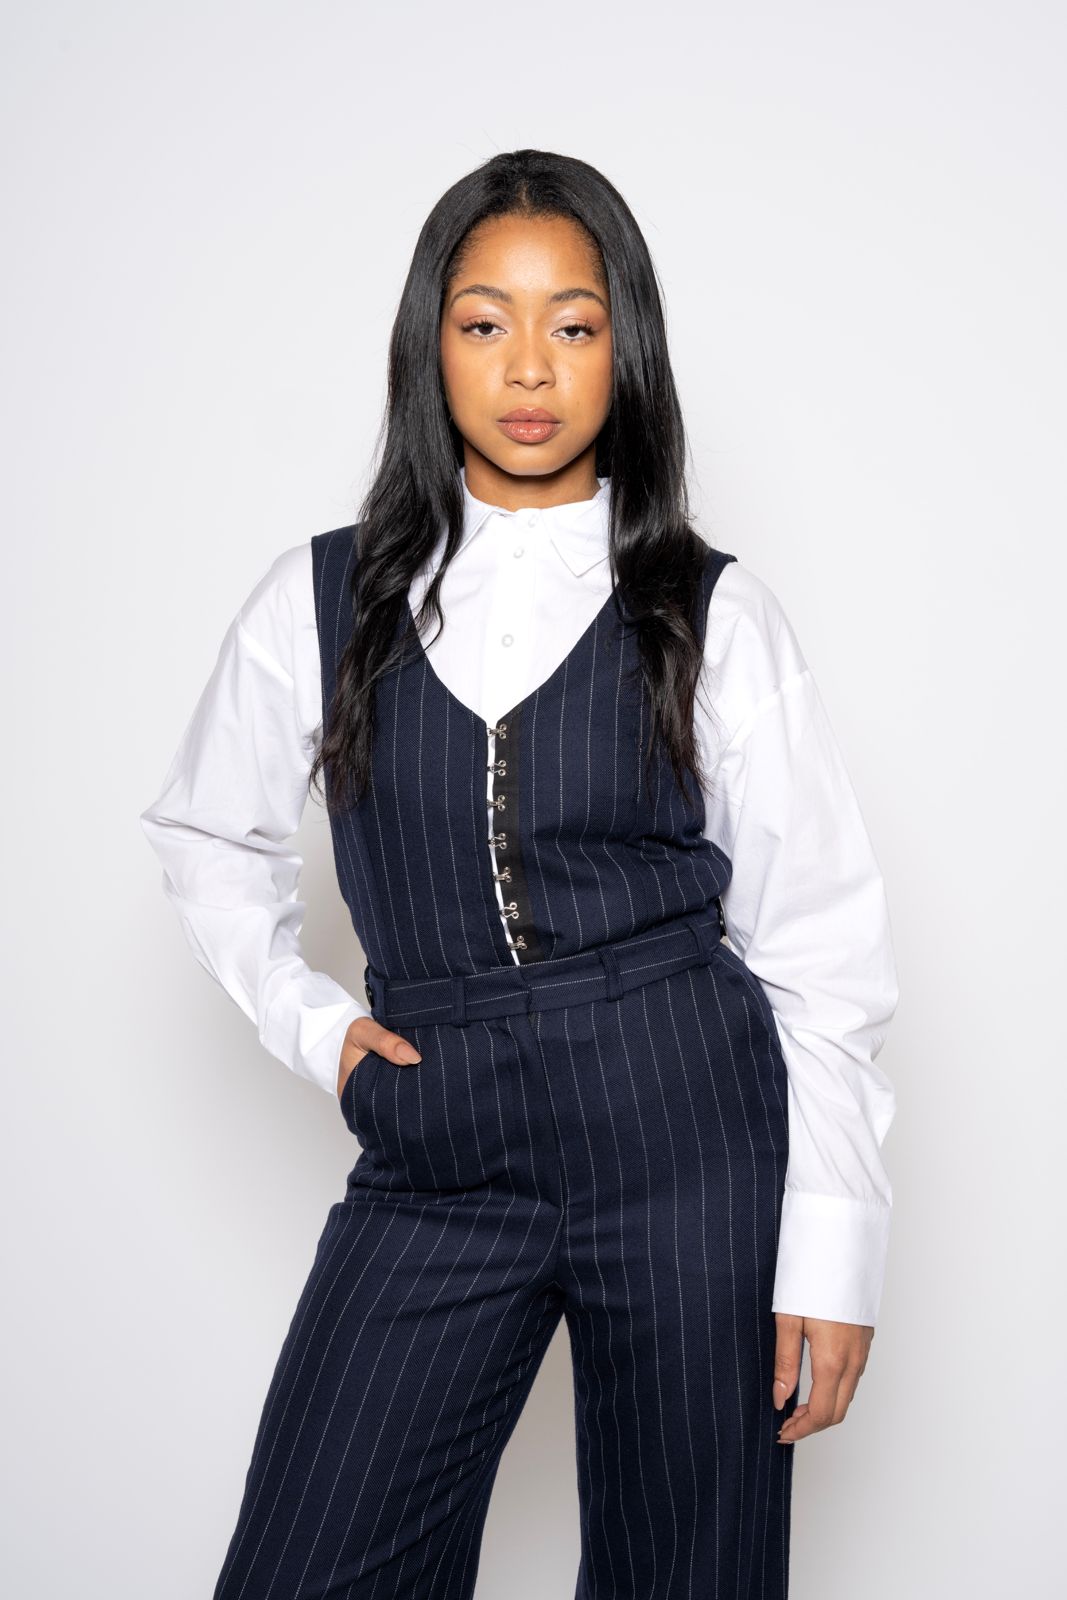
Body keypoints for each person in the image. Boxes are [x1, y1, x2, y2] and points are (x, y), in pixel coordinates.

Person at [140, 148, 899, 1599]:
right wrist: (318, 1028)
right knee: (311, 1564)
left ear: (628, 349)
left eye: (575, 323)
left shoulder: (712, 611)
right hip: (440, 1128)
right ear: (430, 344)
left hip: (686, 1129)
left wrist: (834, 1246)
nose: (531, 367)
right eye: (486, 322)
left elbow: (820, 946)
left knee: (689, 1574)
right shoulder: (323, 598)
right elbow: (206, 834)